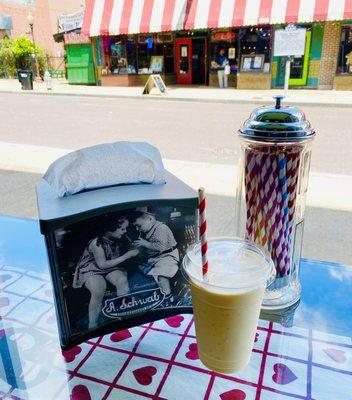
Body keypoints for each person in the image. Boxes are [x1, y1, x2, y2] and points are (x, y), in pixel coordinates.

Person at [73, 216, 138, 329]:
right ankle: (93, 324)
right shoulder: (96, 243)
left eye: (125, 229)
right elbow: (101, 264)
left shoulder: (118, 239)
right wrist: (126, 256)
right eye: (122, 229)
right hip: (91, 268)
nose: (125, 231)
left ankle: (124, 312)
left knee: (121, 279)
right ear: (110, 229)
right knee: (99, 288)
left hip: (109, 266)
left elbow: (112, 260)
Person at [132, 211, 179, 305]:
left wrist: (145, 244)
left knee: (162, 275)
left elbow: (161, 247)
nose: (137, 229)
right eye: (136, 227)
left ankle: (168, 298)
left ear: (150, 219)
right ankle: (153, 296)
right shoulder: (148, 230)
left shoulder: (161, 228)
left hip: (168, 256)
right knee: (142, 275)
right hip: (156, 259)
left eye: (139, 226)